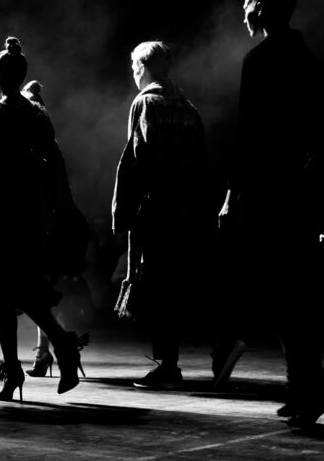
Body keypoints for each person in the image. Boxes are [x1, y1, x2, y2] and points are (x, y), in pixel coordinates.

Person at [217, 0, 324, 427]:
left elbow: (247, 138)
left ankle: (309, 388)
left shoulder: (260, 61)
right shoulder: (313, 63)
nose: (243, 15)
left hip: (269, 193)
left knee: (281, 294)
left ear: (262, 8)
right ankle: (308, 388)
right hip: (302, 194)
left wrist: (232, 196)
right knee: (296, 295)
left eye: (246, 7)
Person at [0, 37, 86, 402]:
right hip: (29, 215)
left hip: (0, 214)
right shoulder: (36, 116)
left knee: (8, 293)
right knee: (18, 291)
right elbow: (54, 168)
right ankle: (37, 358)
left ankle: (34, 359)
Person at [111, 41, 206, 389]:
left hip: (157, 208)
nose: (133, 73)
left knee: (157, 286)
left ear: (143, 67)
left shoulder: (145, 102)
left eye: (134, 67)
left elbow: (138, 158)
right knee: (181, 282)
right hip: (188, 207)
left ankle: (168, 365)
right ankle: (185, 355)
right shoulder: (187, 106)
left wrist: (123, 213)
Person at [18, 81, 91, 380]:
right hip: (55, 228)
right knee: (37, 294)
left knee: (28, 292)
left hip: (38, 229)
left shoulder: (30, 148)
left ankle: (56, 346)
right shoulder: (51, 145)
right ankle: (45, 351)